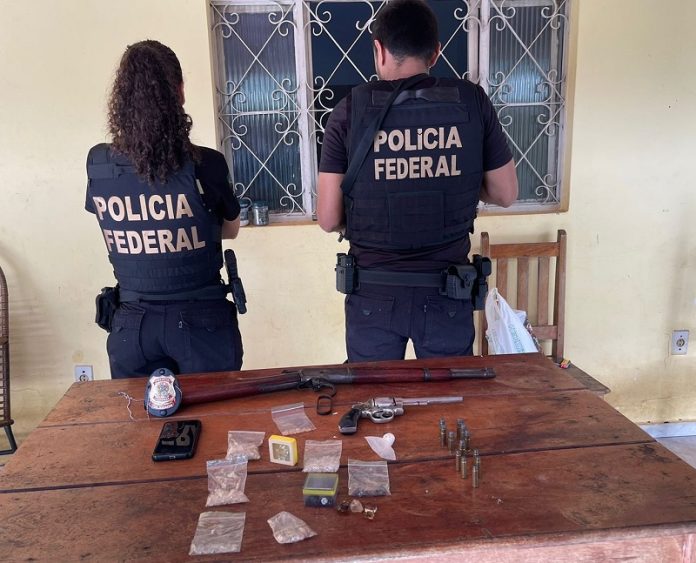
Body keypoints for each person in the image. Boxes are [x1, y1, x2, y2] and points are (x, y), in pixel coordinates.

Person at [317, 0, 518, 362]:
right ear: (435, 52)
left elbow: (329, 218)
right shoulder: (471, 101)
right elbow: (505, 193)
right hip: (447, 294)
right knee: (449, 397)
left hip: (373, 296)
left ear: (379, 49)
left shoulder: (348, 110)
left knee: (376, 397)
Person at [85, 40, 243, 378]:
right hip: (202, 324)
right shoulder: (206, 163)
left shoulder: (99, 164)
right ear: (179, 92)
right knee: (215, 412)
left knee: (138, 414)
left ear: (122, 100)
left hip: (131, 328)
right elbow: (230, 230)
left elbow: (110, 223)